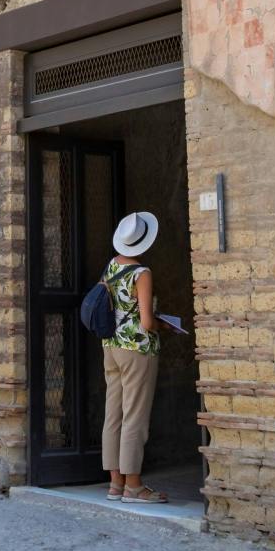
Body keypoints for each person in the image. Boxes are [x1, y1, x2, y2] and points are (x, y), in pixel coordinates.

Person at [101, 210, 168, 504]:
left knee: (113, 414)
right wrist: (164, 324)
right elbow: (146, 322)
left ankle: (115, 484)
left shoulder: (111, 267)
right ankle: (134, 486)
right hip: (138, 349)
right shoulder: (142, 273)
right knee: (135, 417)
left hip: (111, 347)